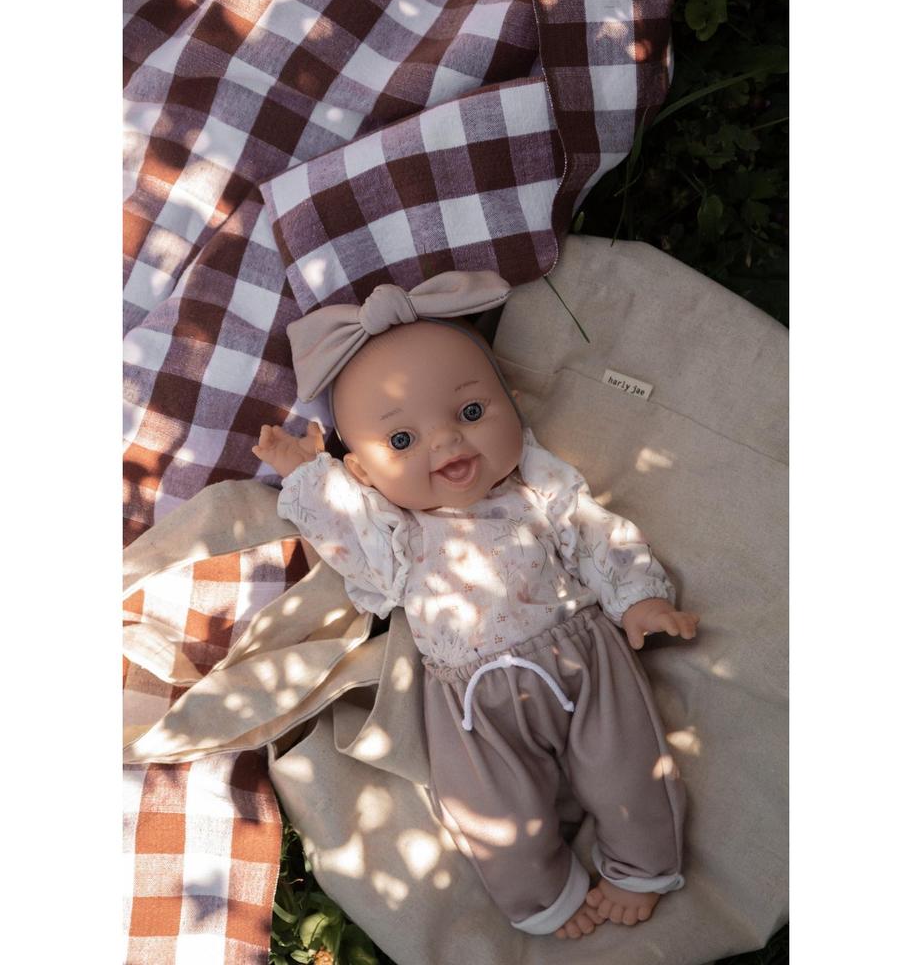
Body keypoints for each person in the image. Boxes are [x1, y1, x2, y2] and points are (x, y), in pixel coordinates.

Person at [253, 271, 699, 940]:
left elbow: (595, 535)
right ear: (364, 475)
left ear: (511, 408)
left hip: (583, 657)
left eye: (469, 413)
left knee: (629, 766)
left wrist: (639, 600)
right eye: (402, 441)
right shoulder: (397, 538)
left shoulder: (536, 490)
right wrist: (308, 476)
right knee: (488, 810)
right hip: (470, 703)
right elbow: (348, 536)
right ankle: (540, 894)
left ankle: (642, 866)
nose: (447, 443)